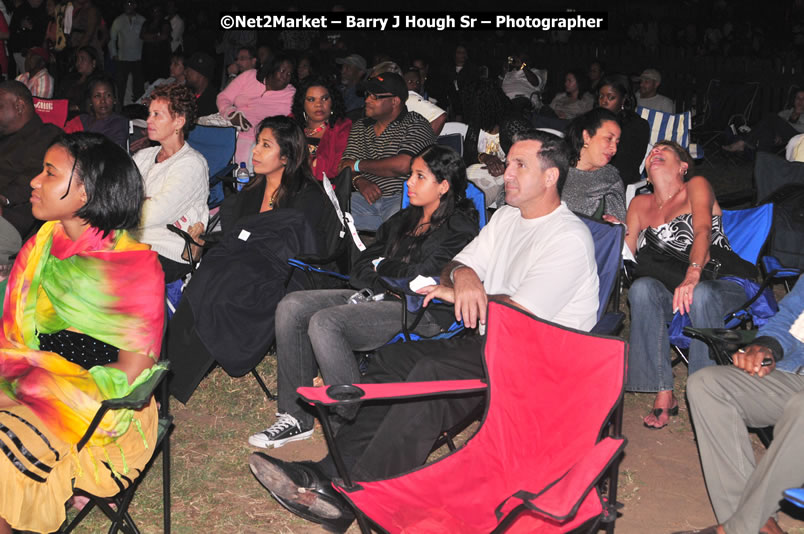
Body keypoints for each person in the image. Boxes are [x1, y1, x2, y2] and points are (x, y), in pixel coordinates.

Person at [247, 130, 600, 531]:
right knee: (392, 361)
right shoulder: (507, 217)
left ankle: (361, 497)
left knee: (431, 379)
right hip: (490, 340)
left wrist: (466, 291)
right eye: (510, 163)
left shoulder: (567, 238)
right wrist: (465, 276)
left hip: (536, 356)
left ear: (551, 177)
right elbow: (457, 265)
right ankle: (326, 473)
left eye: (521, 165)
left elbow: (522, 315)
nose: (508, 174)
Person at [250, 144, 479, 449]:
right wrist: (383, 274)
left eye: (419, 176)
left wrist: (383, 266)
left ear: (444, 186)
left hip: (424, 311)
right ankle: (295, 417)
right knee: (293, 305)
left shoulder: (459, 227)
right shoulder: (404, 219)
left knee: (326, 323)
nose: (408, 182)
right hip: (382, 296)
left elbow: (423, 277)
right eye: (410, 174)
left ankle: (349, 421)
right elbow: (359, 263)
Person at [0, 131, 165, 534]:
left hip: (100, 409)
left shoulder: (136, 270)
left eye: (50, 173)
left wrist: (49, 389)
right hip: (31, 379)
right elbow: (14, 335)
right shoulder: (41, 244)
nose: (35, 182)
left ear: (85, 194)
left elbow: (132, 376)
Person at [167, 116, 338, 403]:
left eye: (265, 145)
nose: (255, 151)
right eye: (257, 143)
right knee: (210, 273)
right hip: (240, 265)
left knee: (225, 281)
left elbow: (302, 248)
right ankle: (170, 367)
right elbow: (236, 237)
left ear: (286, 156)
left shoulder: (307, 196)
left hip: (285, 272)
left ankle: (185, 369)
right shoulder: (249, 193)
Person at [624, 141, 748, 429]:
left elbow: (703, 229)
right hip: (674, 291)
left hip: (719, 282)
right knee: (641, 288)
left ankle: (704, 392)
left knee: (702, 292)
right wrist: (610, 234)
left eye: (663, 150)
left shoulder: (696, 185)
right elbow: (626, 257)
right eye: (651, 150)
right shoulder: (639, 205)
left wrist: (693, 273)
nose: (654, 152)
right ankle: (663, 392)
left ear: (683, 166)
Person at [674, 279, 804, 534]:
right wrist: (767, 347)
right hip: (796, 376)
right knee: (708, 385)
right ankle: (756, 525)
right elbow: (791, 318)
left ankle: (738, 528)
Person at [340, 72, 437, 231]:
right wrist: (360, 181)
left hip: (405, 196)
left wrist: (358, 165)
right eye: (367, 95)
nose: (367, 100)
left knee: (399, 224)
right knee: (328, 210)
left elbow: (403, 165)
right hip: (366, 198)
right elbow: (344, 165)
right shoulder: (361, 126)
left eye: (374, 97)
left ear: (395, 101)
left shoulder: (416, 124)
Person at [132, 82, 208, 283]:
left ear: (179, 121)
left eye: (157, 114)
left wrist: (133, 203)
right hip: (132, 241)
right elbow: (118, 194)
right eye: (149, 113)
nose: (148, 120)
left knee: (108, 273)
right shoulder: (143, 156)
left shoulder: (192, 164)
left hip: (167, 248)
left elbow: (153, 214)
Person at [0, 81, 61, 263]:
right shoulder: (4, 139)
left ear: (19, 106)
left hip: (11, 217)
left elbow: (32, 178)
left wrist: (3, 197)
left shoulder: (47, 136)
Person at [216, 52, 295, 170]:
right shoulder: (249, 76)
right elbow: (223, 98)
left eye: (289, 74)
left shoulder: (291, 94)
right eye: (282, 71)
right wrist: (231, 113)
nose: (285, 77)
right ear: (272, 68)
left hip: (259, 141)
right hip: (231, 131)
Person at [562, 108, 626, 222]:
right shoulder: (555, 164)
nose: (614, 149)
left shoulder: (610, 178)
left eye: (617, 142)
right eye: (609, 139)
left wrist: (614, 224)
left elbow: (615, 228)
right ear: (586, 136)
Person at [461, 78, 512, 208]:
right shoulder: (476, 125)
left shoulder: (512, 125)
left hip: (502, 178)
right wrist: (484, 157)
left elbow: (527, 161)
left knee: (472, 201)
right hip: (476, 174)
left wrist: (501, 166)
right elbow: (468, 156)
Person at [291, 75, 352, 182]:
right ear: (302, 103)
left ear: (332, 101)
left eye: (324, 98)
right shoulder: (291, 123)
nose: (319, 104)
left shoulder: (343, 128)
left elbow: (336, 169)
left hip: (324, 189)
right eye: (311, 99)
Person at [596, 74, 651, 186]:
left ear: (623, 99)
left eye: (610, 97)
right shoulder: (594, 120)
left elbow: (625, 165)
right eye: (601, 96)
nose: (604, 102)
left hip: (618, 181)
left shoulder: (637, 126)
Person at [723, 89, 804, 154]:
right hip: (783, 139)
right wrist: (776, 133)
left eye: (803, 98)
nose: (800, 101)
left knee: (771, 117)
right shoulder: (785, 113)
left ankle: (743, 142)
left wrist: (781, 128)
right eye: (798, 98)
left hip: (798, 138)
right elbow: (774, 125)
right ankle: (762, 166)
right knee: (766, 133)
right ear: (794, 100)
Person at [63, 76, 129, 148]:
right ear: (90, 101)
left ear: (114, 99)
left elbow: (115, 151)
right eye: (97, 96)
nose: (103, 101)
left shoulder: (119, 122)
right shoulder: (81, 120)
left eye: (108, 95)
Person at [108, 0, 145, 105]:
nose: (128, 6)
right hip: (122, 58)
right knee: (120, 86)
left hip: (138, 58)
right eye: (126, 4)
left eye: (130, 4)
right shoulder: (118, 20)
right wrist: (114, 54)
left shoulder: (142, 20)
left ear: (135, 5)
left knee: (138, 86)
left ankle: (139, 107)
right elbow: (112, 39)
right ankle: (119, 107)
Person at [56, 45, 100, 117]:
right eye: (77, 59)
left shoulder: (98, 82)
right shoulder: (70, 78)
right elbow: (59, 96)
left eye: (82, 59)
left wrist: (72, 108)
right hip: (61, 112)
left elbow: (90, 105)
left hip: (81, 117)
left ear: (93, 62)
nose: (78, 63)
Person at [404, 66, 446, 134]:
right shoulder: (405, 98)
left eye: (417, 82)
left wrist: (424, 141)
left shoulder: (411, 97)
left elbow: (441, 117)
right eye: (410, 82)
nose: (415, 85)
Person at [183, 51, 217, 116]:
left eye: (189, 70)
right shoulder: (186, 95)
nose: (185, 73)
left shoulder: (214, 102)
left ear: (201, 74)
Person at [336, 53, 367, 119]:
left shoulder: (361, 96)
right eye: (343, 67)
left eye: (348, 68)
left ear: (360, 72)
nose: (342, 71)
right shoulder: (337, 89)